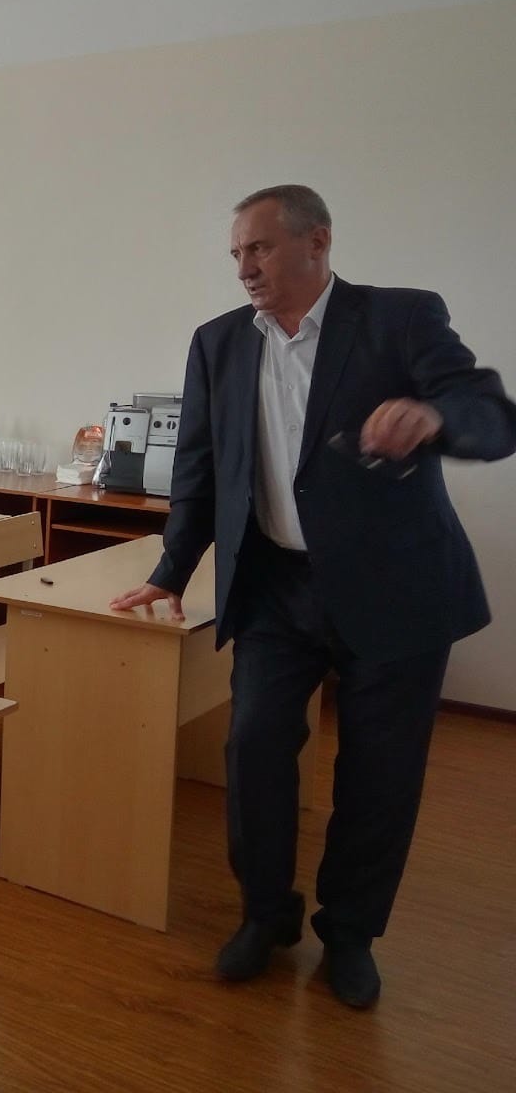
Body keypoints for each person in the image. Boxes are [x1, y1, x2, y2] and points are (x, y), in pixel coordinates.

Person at [111, 185, 516, 1009]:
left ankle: (351, 933)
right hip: (276, 588)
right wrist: (172, 567)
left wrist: (433, 416)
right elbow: (200, 466)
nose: (244, 268)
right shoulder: (219, 341)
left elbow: (491, 415)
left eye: (258, 248)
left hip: (395, 589)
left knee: (381, 773)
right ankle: (266, 915)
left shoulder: (399, 318)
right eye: (236, 254)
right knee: (254, 750)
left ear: (317, 241)